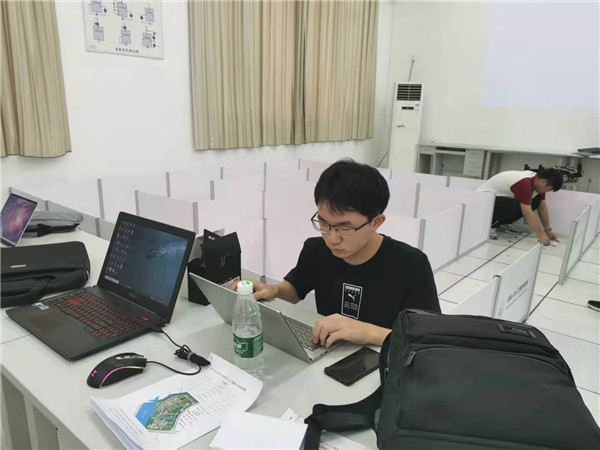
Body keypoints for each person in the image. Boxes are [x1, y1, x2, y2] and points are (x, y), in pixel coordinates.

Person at [234, 159, 440, 348]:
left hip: (385, 360)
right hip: (327, 354)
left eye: (345, 228)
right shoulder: (316, 250)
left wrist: (367, 332)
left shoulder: (411, 264)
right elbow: (296, 290)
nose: (332, 238)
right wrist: (273, 290)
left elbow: (429, 338)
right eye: (324, 223)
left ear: (376, 222)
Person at [477, 169, 563, 245]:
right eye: (548, 189)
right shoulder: (524, 183)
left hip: (498, 198)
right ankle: (490, 226)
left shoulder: (536, 181)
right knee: (517, 205)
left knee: (537, 201)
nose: (546, 191)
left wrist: (547, 230)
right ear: (543, 182)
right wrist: (541, 235)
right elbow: (527, 213)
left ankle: (502, 224)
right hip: (483, 201)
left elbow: (542, 207)